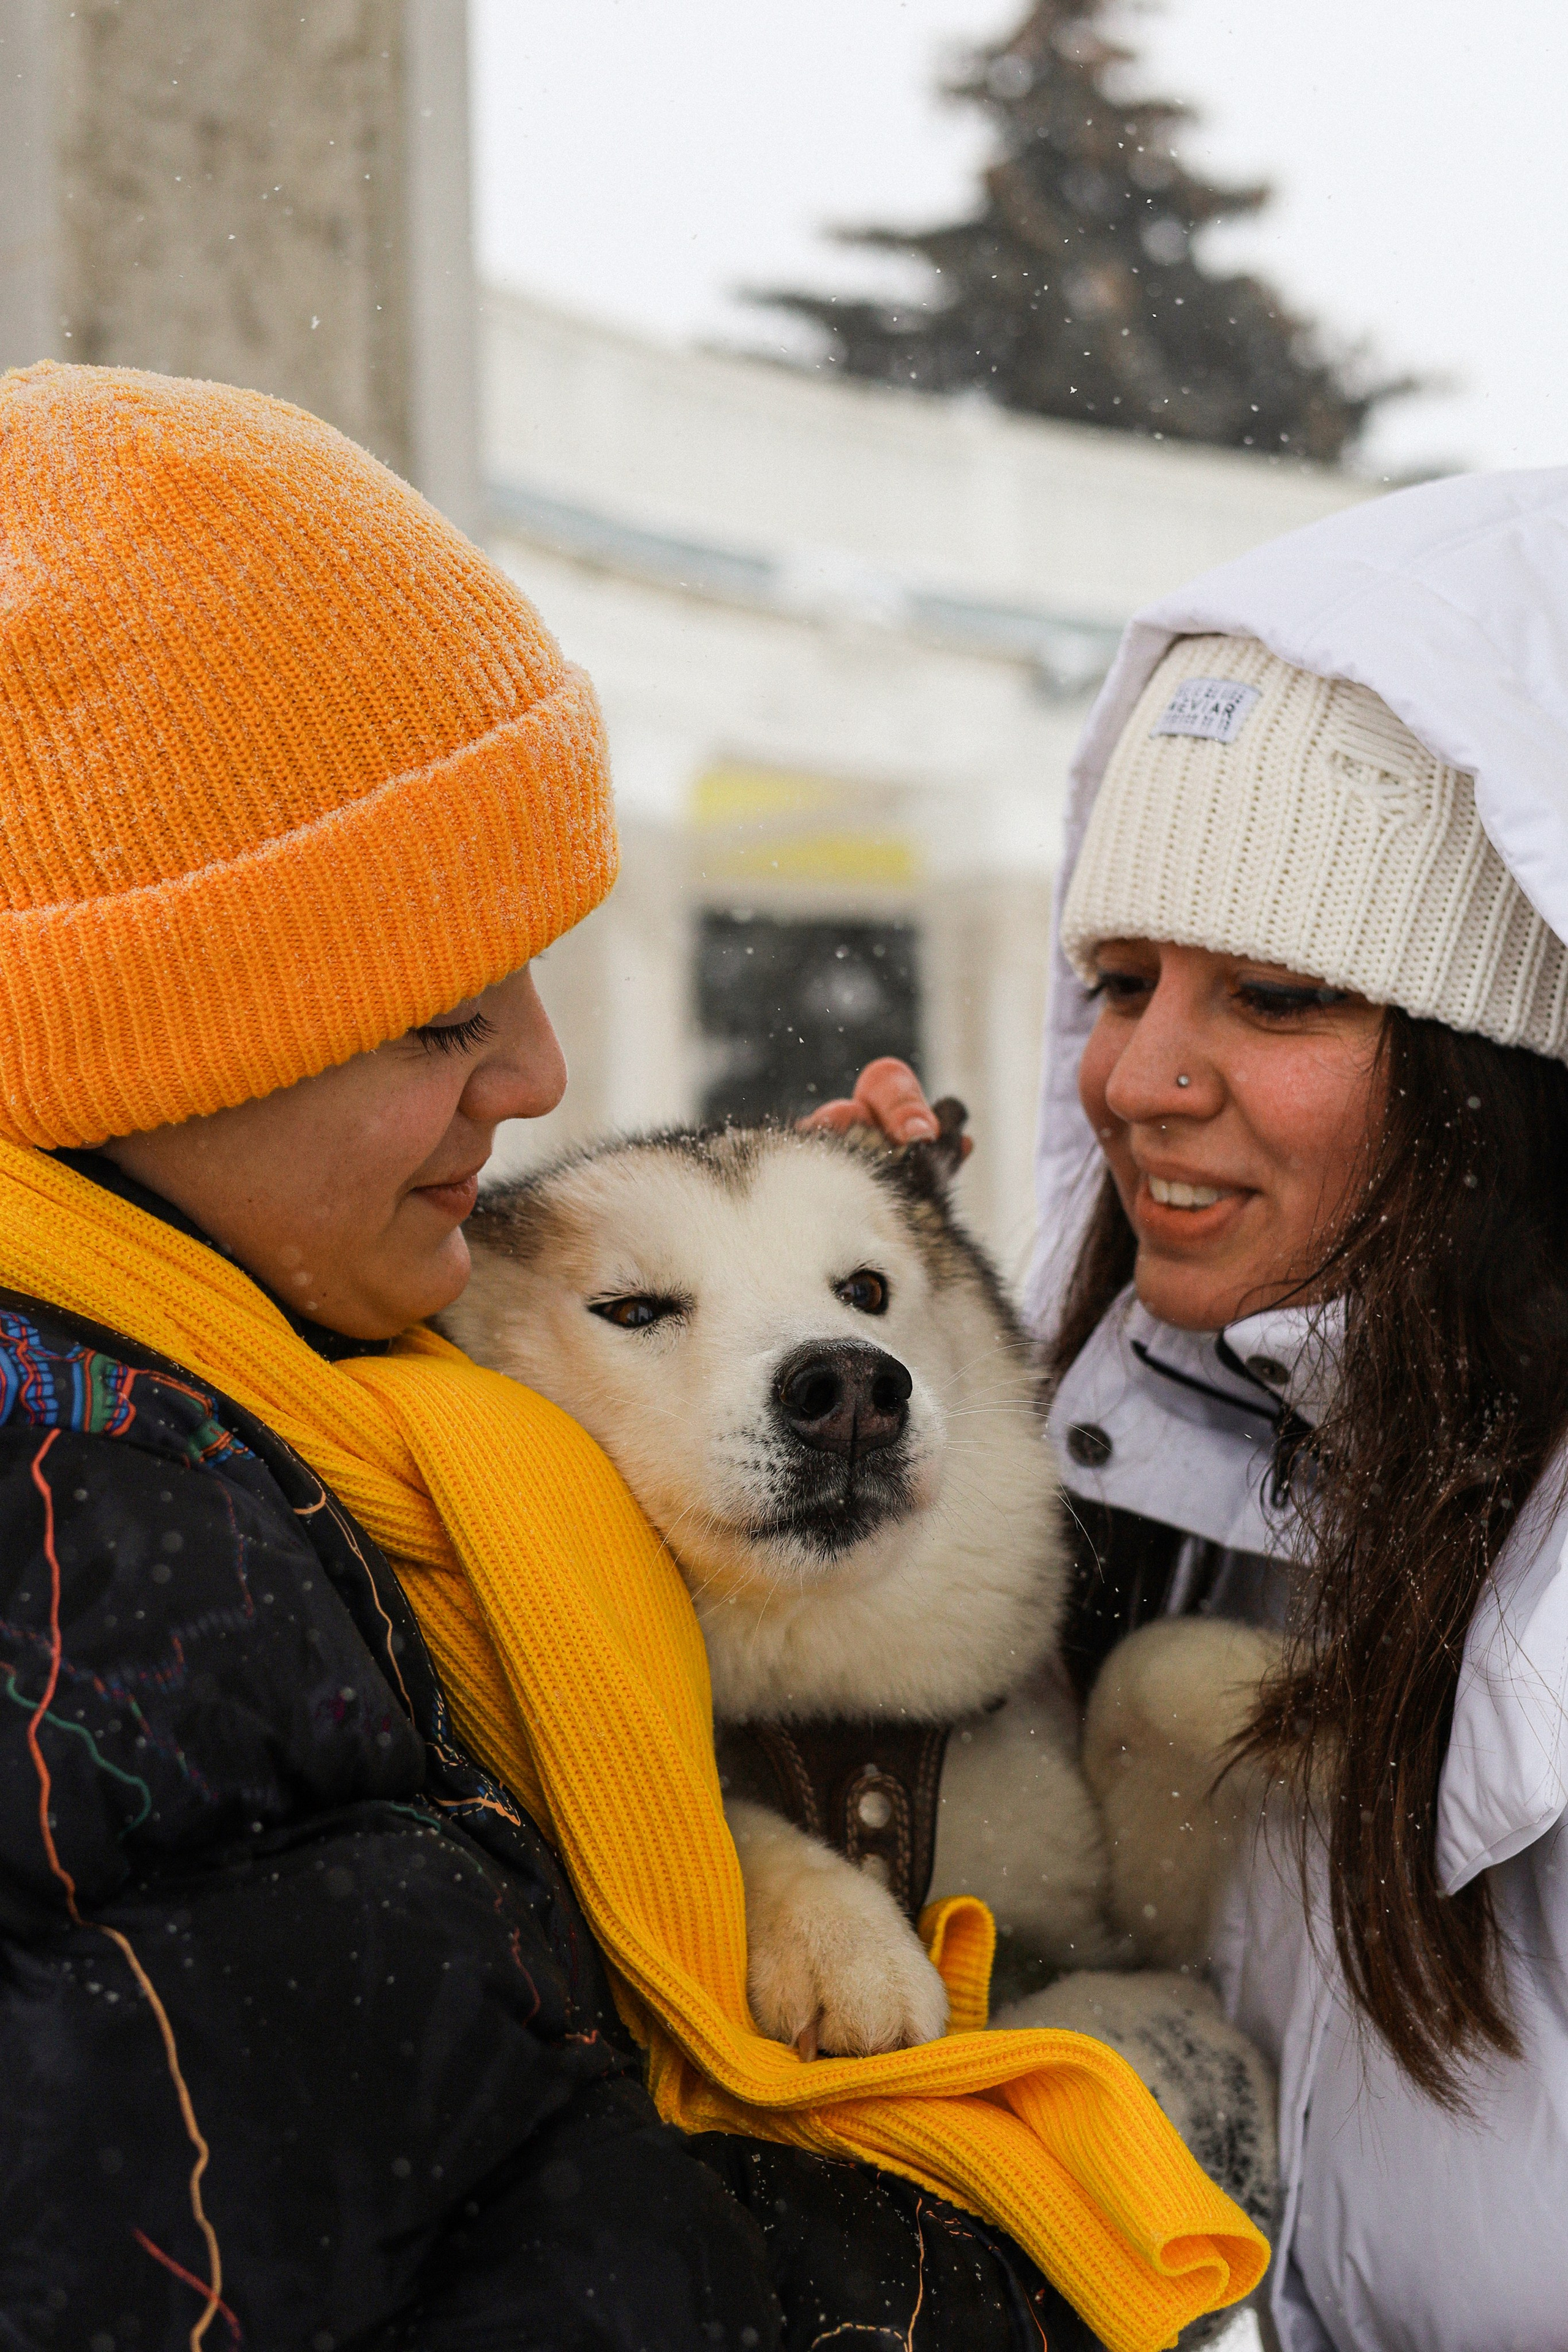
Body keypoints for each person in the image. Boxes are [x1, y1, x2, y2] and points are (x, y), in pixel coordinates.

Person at [0, 363, 1263, 2352]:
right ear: (159, 1033)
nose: (544, 1073)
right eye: (435, 1015)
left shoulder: (239, 1413)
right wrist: (1082, 2184)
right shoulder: (82, 1530)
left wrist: (808, 1268)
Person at [824, 470, 1568, 2351]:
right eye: (1122, 978)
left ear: (1508, 1075)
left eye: (1280, 995)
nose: (1139, 1075)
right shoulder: (1191, 1465)